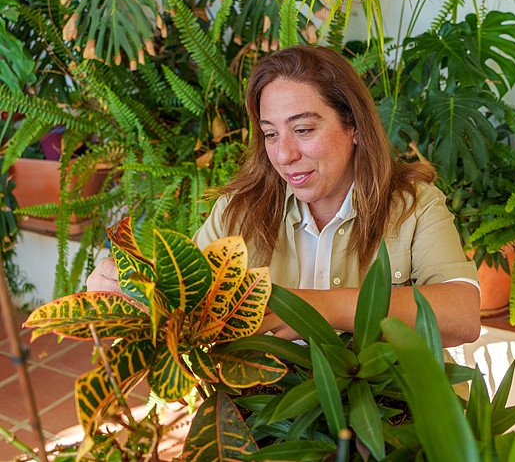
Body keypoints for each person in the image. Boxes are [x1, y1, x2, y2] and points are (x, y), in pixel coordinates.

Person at [88, 45, 481, 347]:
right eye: (271, 133)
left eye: (304, 130)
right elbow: (187, 301)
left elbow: (463, 315)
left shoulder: (415, 205)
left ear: (354, 127)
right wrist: (127, 293)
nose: (284, 154)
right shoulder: (239, 211)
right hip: (271, 419)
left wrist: (317, 307)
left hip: (396, 416)